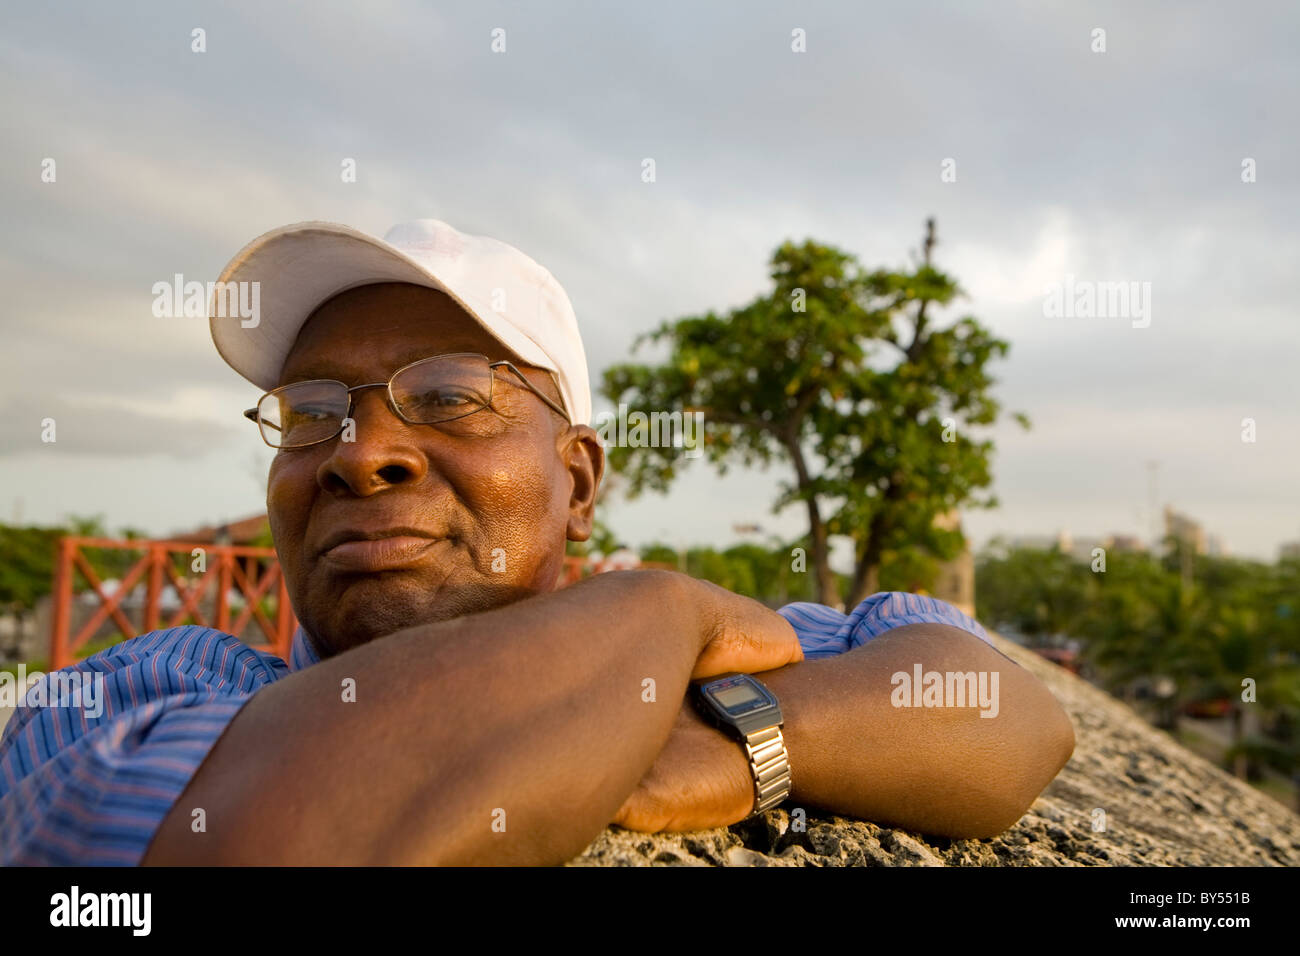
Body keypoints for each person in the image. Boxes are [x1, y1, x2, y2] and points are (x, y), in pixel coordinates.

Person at [0, 220, 1074, 865]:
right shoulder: (146, 685)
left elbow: (1007, 713)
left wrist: (727, 743)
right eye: (311, 407)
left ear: (579, 479)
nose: (358, 450)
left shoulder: (737, 665)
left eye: (451, 395)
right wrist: (660, 611)